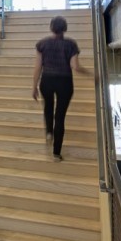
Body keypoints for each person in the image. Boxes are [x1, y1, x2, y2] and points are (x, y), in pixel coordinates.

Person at [32, 16, 91, 162]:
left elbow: (38, 67)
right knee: (60, 117)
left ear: (51, 27)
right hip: (64, 82)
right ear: (65, 28)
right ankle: (56, 154)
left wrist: (34, 86)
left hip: (47, 80)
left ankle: (49, 132)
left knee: (48, 108)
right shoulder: (71, 45)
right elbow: (75, 67)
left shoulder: (42, 44)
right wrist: (92, 74)